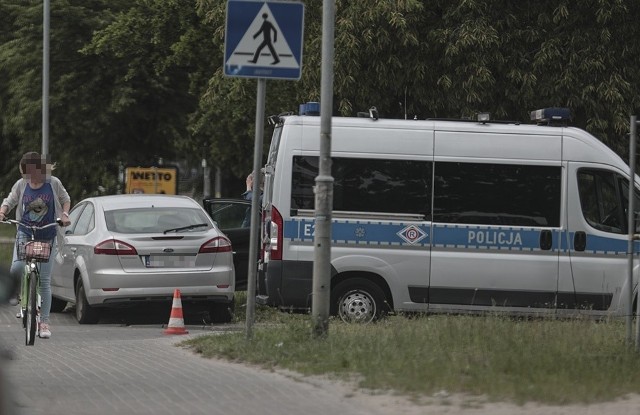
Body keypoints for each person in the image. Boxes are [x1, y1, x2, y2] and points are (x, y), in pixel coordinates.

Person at [0, 152, 71, 339]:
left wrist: (65, 215)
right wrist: (2, 211)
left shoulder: (53, 183)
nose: (31, 176)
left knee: (45, 281)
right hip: (25, 231)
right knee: (17, 266)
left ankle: (44, 322)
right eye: (27, 172)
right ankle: (17, 292)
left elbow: (65, 199)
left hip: (47, 234)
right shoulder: (21, 184)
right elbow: (10, 200)